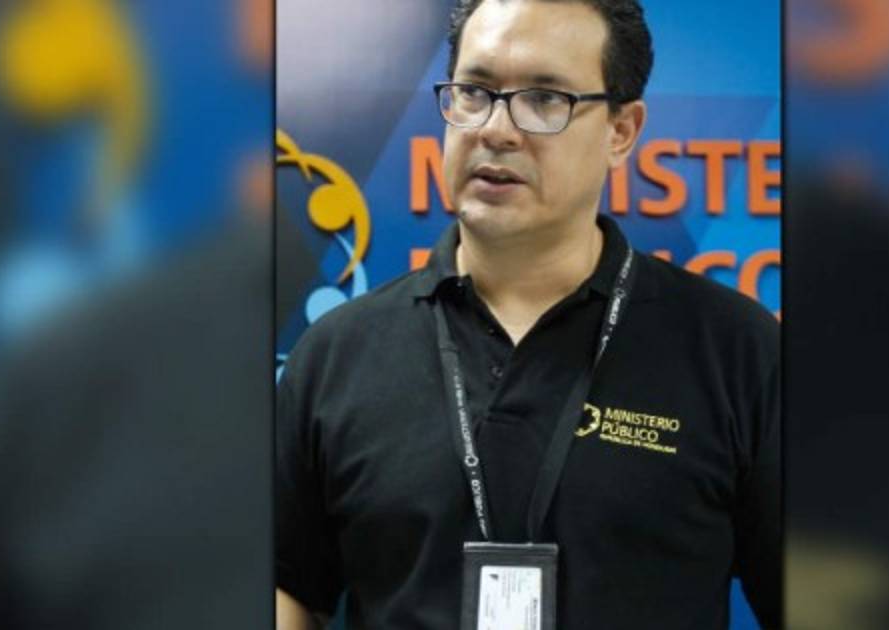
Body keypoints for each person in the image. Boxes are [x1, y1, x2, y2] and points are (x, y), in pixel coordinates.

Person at [275, 1, 780, 628]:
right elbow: (289, 587)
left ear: (621, 131)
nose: (496, 130)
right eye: (474, 91)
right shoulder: (337, 354)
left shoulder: (734, 349)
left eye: (544, 99)